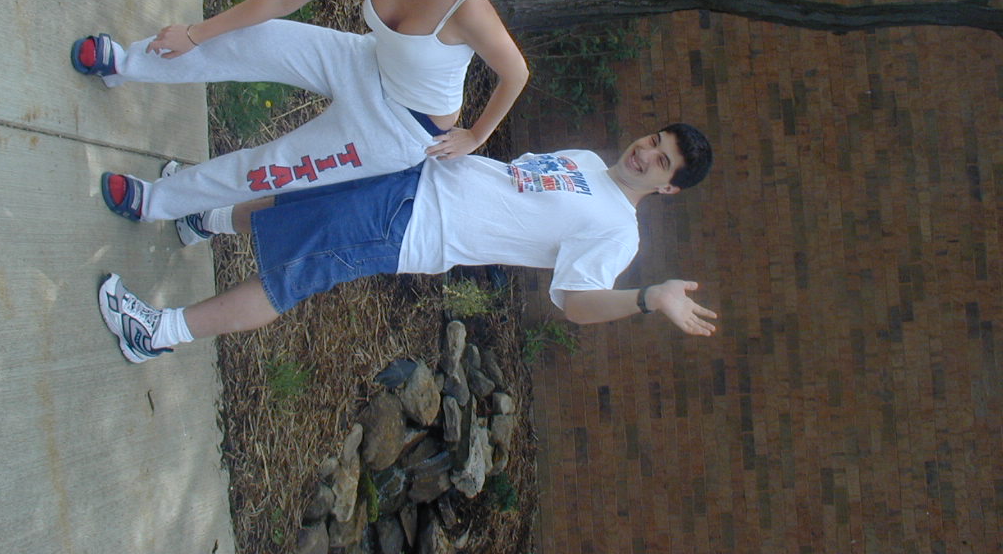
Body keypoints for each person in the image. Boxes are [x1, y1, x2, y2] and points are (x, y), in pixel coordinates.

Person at [70, 0, 528, 242]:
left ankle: (154, 201)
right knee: (254, 39)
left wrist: (475, 136)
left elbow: (516, 73)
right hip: (367, 63)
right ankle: (124, 64)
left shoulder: (468, 10)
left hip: (402, 128)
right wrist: (195, 33)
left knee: (270, 165)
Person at [97, 124, 717, 363]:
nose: (646, 154)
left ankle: (158, 333)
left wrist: (647, 298)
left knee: (294, 272)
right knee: (296, 199)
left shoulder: (618, 232)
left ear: (668, 188)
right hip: (417, 178)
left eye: (661, 162)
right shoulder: (588, 162)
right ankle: (202, 221)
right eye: (653, 140)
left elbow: (577, 303)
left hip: (414, 227)